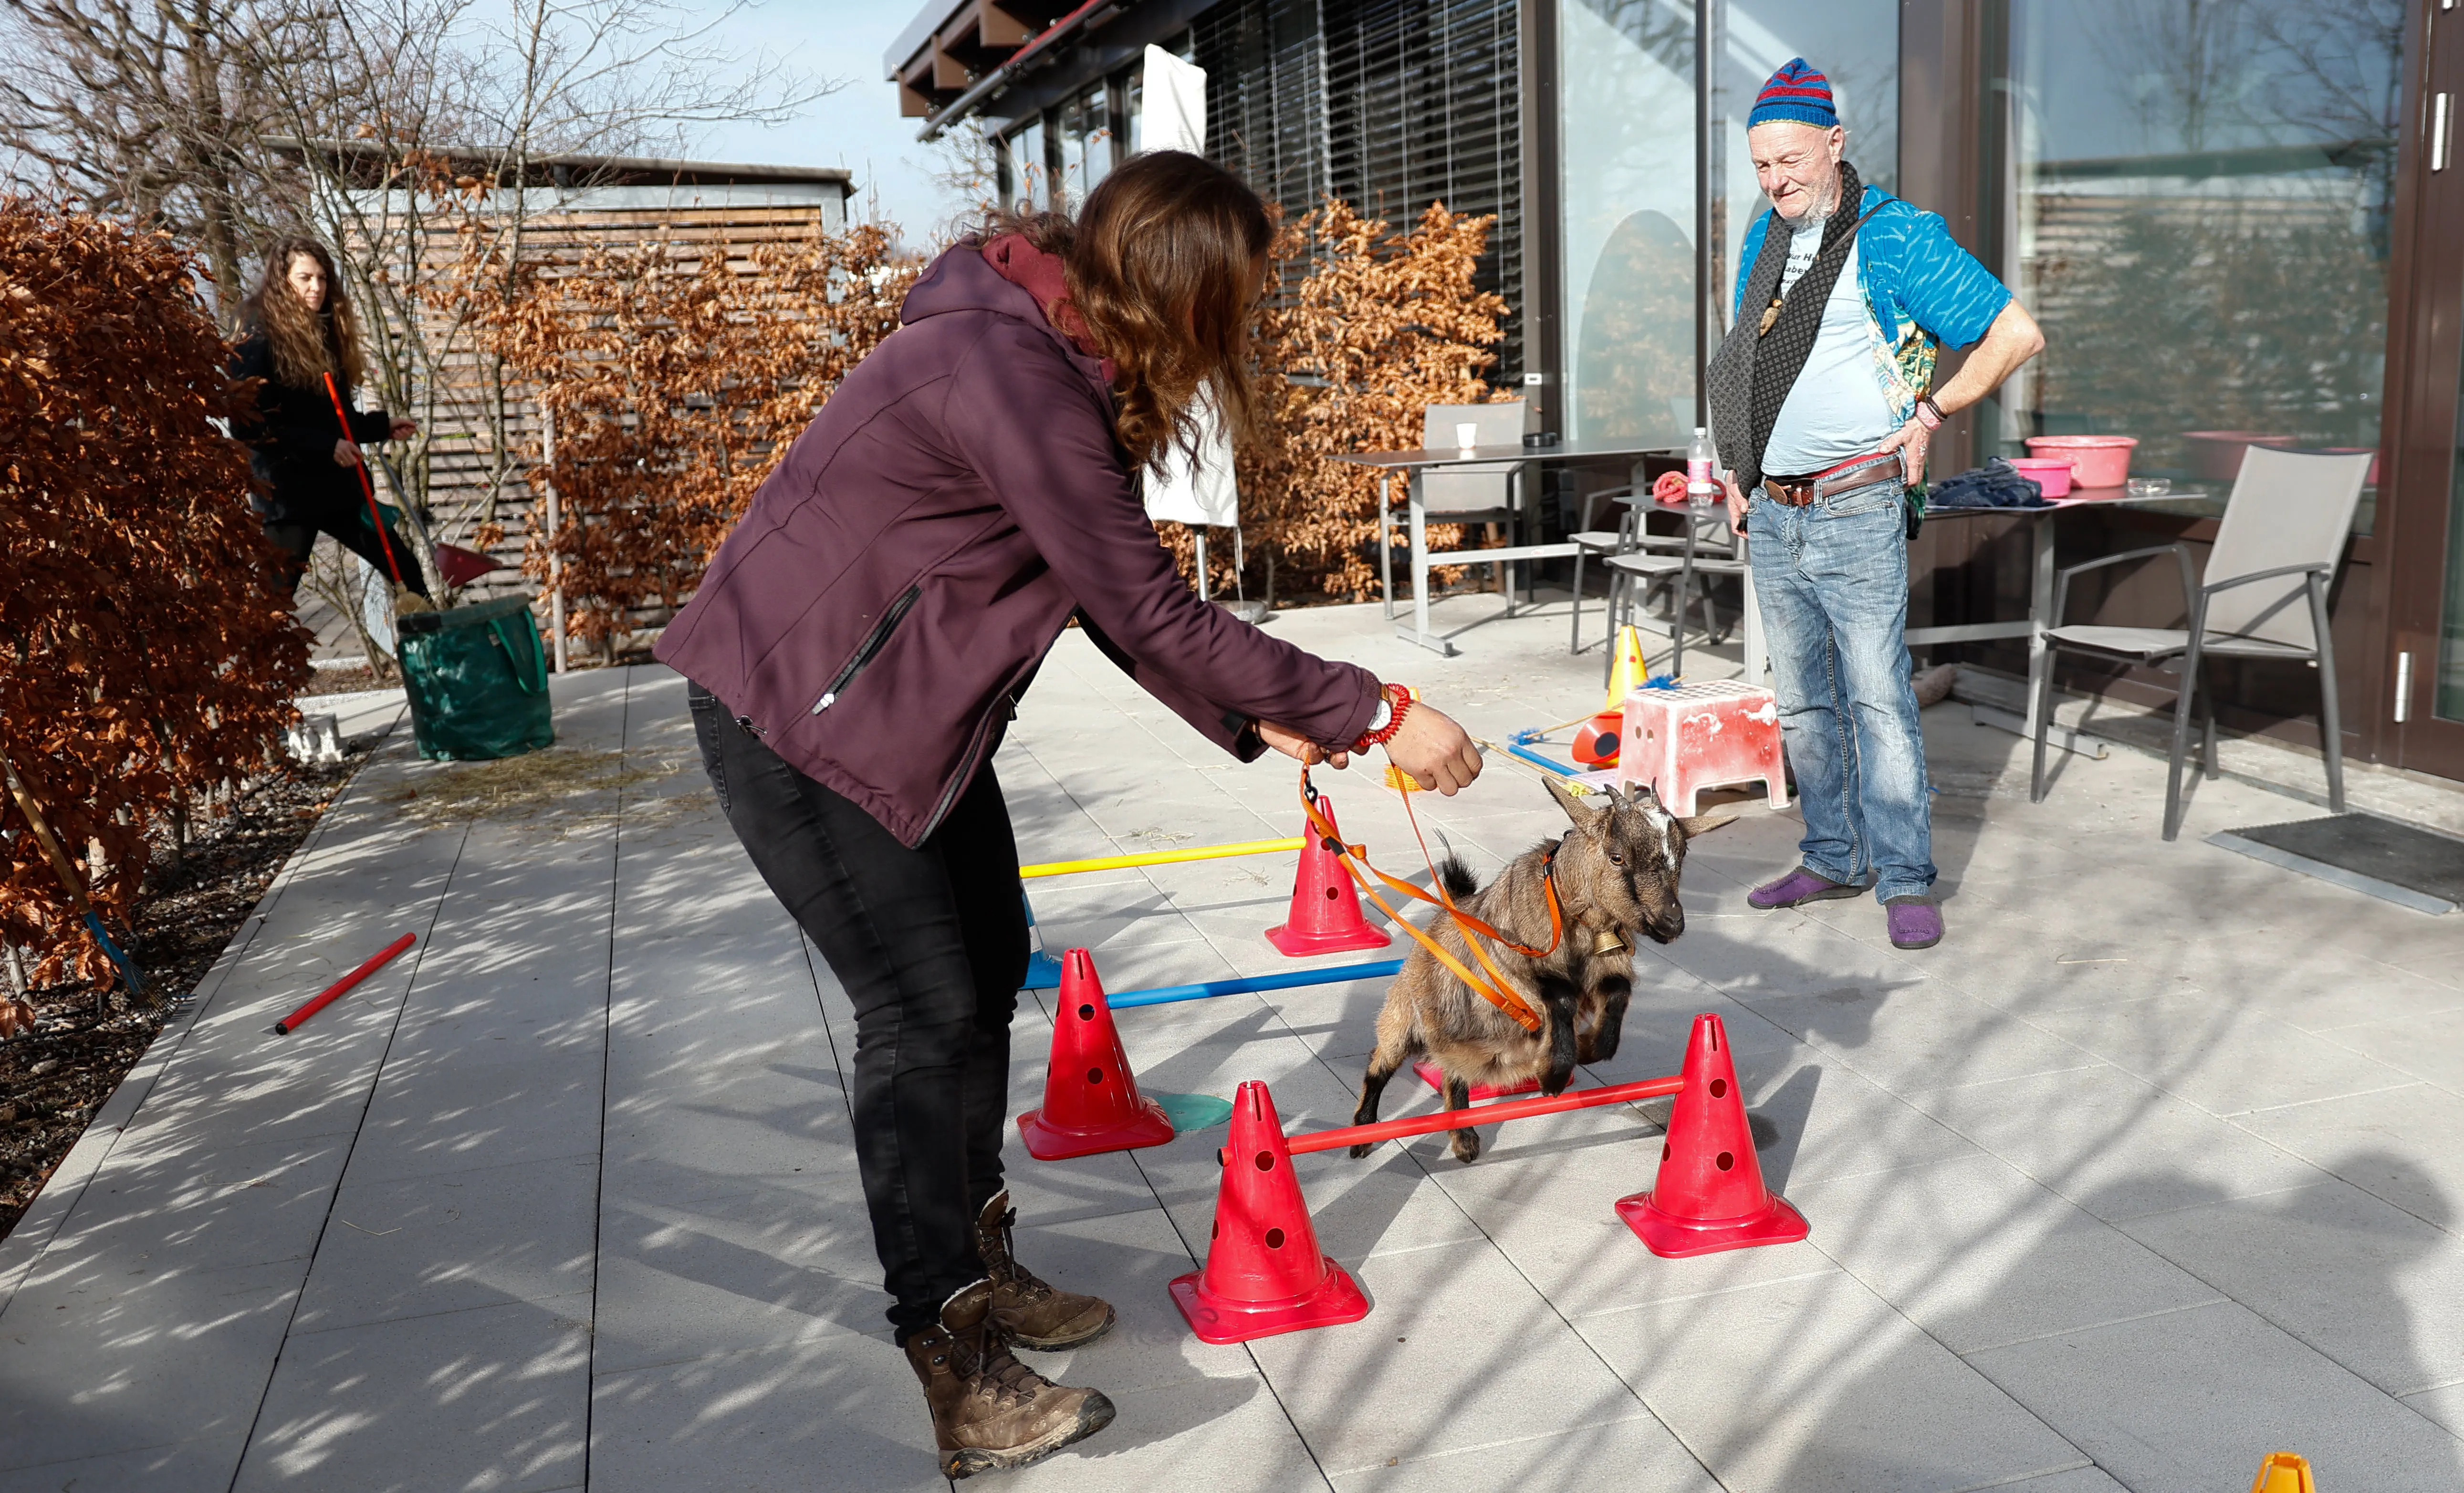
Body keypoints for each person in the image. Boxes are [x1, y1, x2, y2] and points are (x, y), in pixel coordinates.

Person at [654, 150, 1485, 1480]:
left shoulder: (1049, 352)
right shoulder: (1011, 376)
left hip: (892, 718)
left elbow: (1102, 597)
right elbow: (1145, 605)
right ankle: (953, 1357)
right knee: (920, 1013)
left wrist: (1252, 717)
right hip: (793, 715)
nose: (1245, 324)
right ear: (1181, 288)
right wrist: (1375, 709)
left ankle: (982, 1263)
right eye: (1238, 296)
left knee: (987, 965)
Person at [1706, 58, 2043, 952]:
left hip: (1856, 503)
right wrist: (1736, 473)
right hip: (1773, 510)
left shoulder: (1894, 235)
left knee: (1877, 699)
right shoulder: (1764, 236)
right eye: (1761, 166)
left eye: (1790, 161)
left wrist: (1931, 413)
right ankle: (1831, 855)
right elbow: (1747, 360)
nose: (1775, 182)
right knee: (1801, 705)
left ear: (1834, 143)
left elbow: (2014, 334)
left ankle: (1903, 876)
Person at [230, 236, 427, 599]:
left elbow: (335, 417)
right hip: (287, 492)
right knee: (273, 603)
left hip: (338, 489)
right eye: (305, 278)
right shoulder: (256, 334)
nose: (316, 287)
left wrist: (379, 427)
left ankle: (429, 637)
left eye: (322, 278)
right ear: (281, 280)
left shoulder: (324, 330)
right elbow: (247, 425)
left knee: (408, 576)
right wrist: (325, 445)